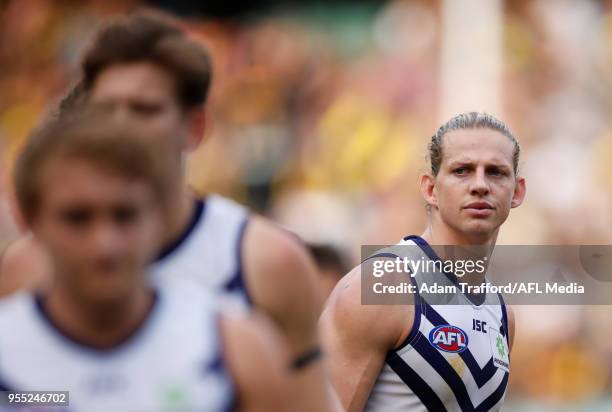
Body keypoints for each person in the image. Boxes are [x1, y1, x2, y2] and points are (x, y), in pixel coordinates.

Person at [0, 10, 336, 412]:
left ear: (194, 126)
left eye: (144, 109)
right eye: (107, 110)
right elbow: (33, 393)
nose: (122, 127)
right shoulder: (27, 266)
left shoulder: (265, 263)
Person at [0, 110, 291, 412]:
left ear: (160, 218)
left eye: (125, 215)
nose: (105, 244)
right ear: (32, 221)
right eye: (77, 218)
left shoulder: (235, 351)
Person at [321, 112, 526, 411]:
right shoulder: (381, 286)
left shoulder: (502, 313)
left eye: (495, 172)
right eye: (462, 170)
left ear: (517, 191)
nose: (480, 184)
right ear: (430, 189)